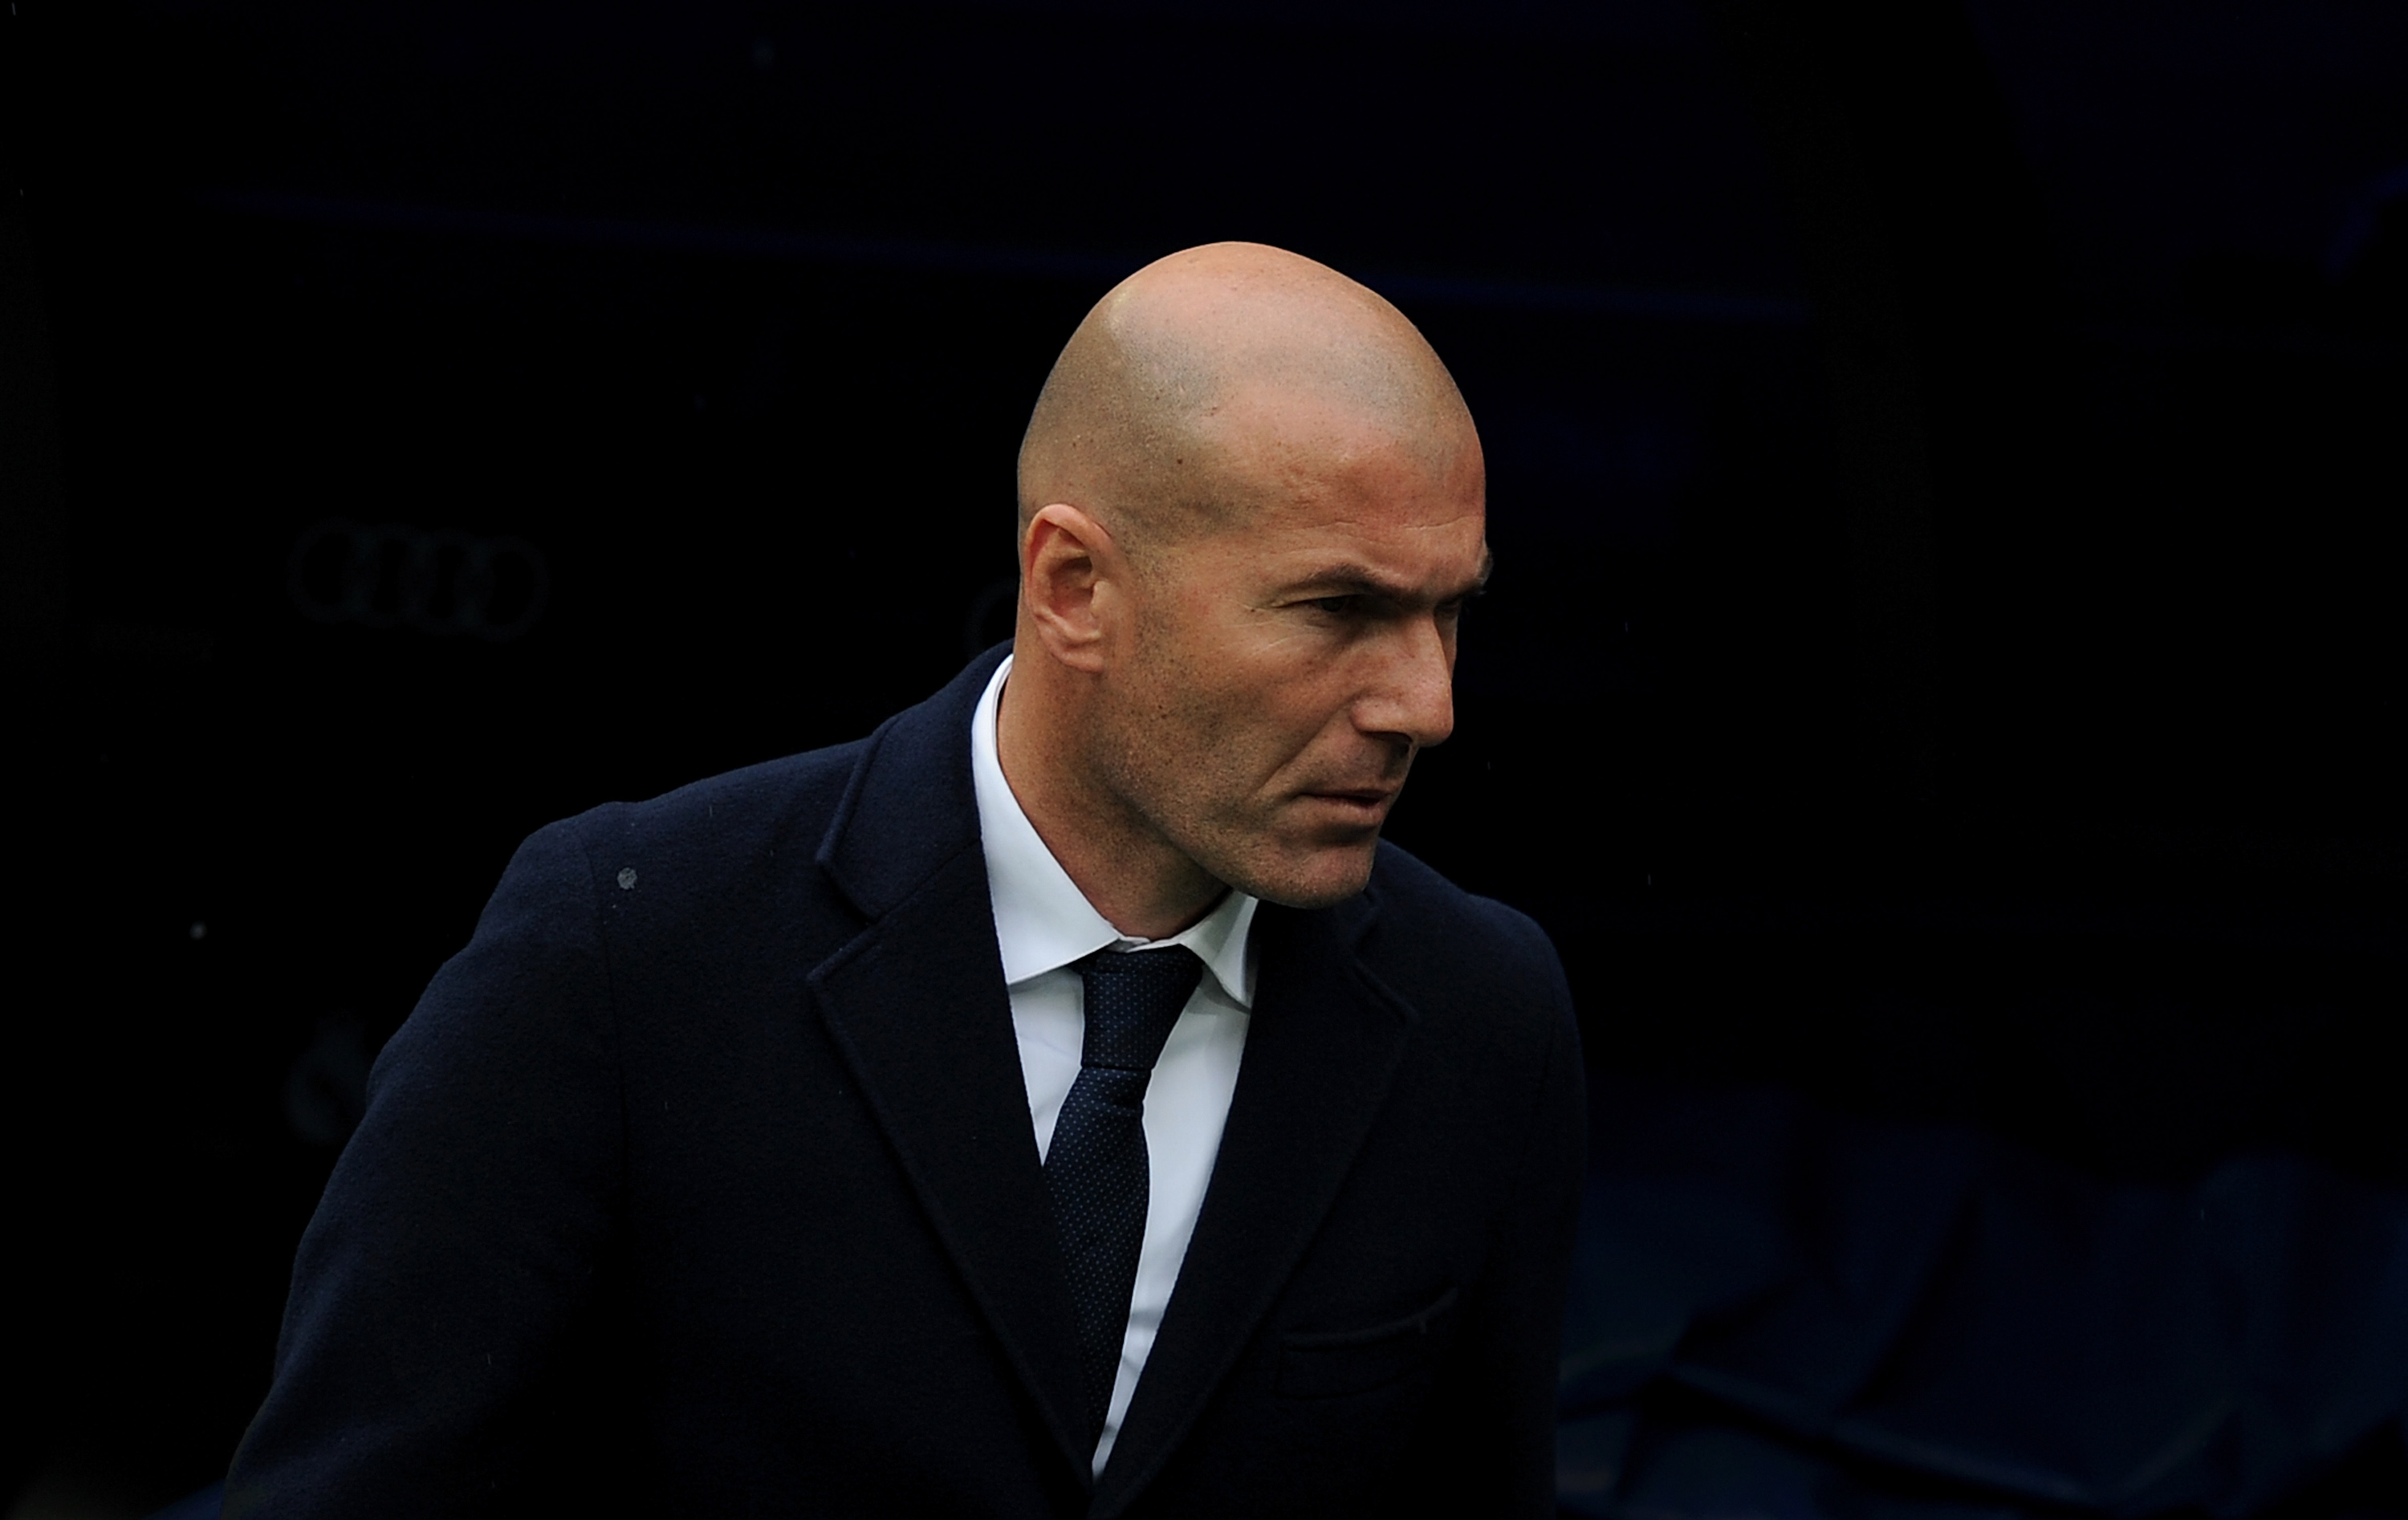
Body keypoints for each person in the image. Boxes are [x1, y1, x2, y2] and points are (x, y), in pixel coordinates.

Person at [223, 242, 1584, 1518]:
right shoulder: (627, 952)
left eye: (1451, 609)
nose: (1427, 701)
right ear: (1072, 586)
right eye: (1339, 609)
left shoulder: (1481, 1017)